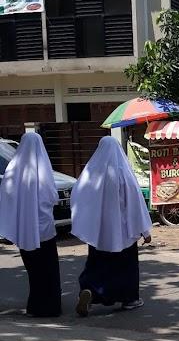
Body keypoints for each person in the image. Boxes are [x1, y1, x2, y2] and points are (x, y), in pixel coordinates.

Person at [71, 136, 152, 317]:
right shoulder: (124, 173)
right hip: (123, 233)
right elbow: (135, 203)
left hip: (98, 232)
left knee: (97, 264)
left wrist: (86, 222)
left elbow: (77, 194)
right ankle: (129, 299)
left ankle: (90, 292)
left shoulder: (91, 171)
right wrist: (145, 230)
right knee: (126, 267)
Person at [0, 131, 61, 317]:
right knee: (48, 269)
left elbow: (6, 195)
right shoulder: (43, 169)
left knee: (33, 271)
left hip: (24, 231)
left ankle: (35, 306)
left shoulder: (13, 169)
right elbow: (52, 196)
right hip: (45, 230)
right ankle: (51, 306)